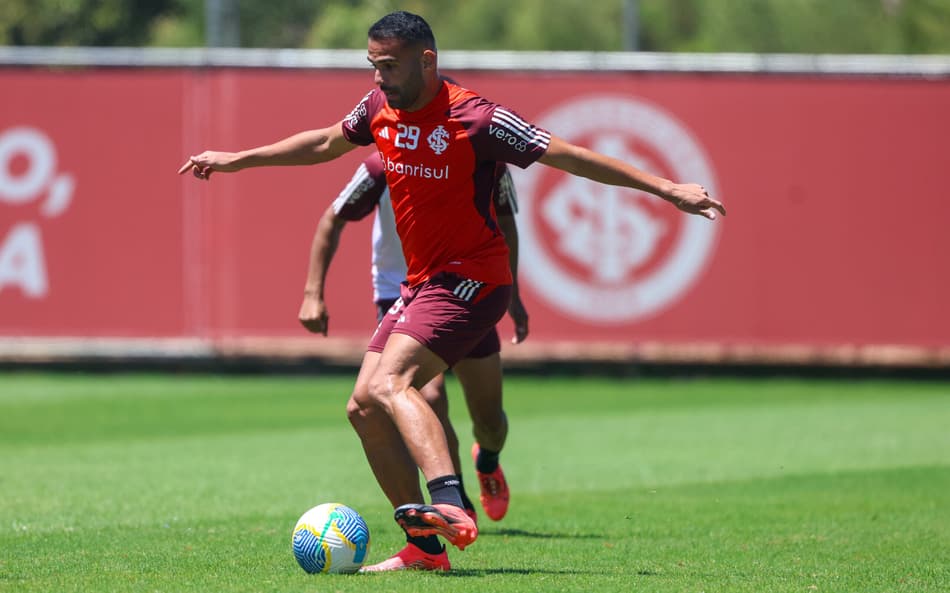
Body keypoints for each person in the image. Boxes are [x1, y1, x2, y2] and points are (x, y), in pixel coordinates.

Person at [178, 9, 725, 572]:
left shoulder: (478, 118)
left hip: (474, 279)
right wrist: (237, 159)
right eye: (372, 65)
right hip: (421, 284)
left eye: (389, 66)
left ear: (427, 60)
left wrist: (667, 188)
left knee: (396, 385)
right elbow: (323, 142)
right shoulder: (378, 108)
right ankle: (425, 548)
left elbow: (571, 156)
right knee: (363, 406)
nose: (378, 78)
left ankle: (450, 500)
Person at [296, 151, 527, 570]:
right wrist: (313, 292)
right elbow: (332, 213)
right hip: (400, 292)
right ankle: (448, 513)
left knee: (490, 421)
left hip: (466, 290)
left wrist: (515, 298)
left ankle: (487, 460)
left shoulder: (482, 153)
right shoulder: (381, 163)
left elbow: (508, 221)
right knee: (403, 396)